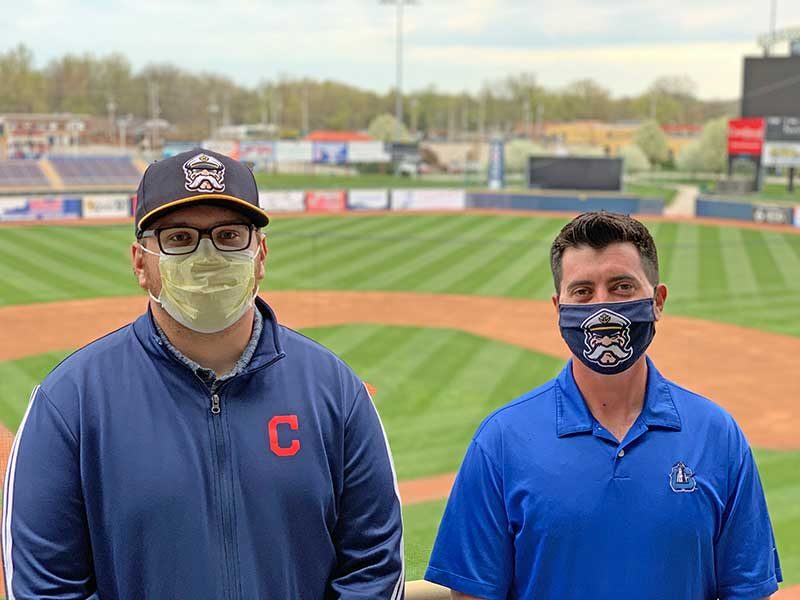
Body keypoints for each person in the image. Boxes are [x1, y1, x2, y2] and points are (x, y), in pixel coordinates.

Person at [3, 149, 404, 599]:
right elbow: (47, 589)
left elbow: (373, 567)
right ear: (140, 263)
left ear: (260, 254)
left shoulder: (336, 392)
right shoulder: (69, 404)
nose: (207, 255)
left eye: (230, 235)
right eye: (179, 238)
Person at [424, 211, 781, 600]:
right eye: (582, 292)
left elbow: (748, 591)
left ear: (657, 301)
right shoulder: (501, 442)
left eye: (622, 286)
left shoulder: (718, 437)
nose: (602, 308)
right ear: (559, 307)